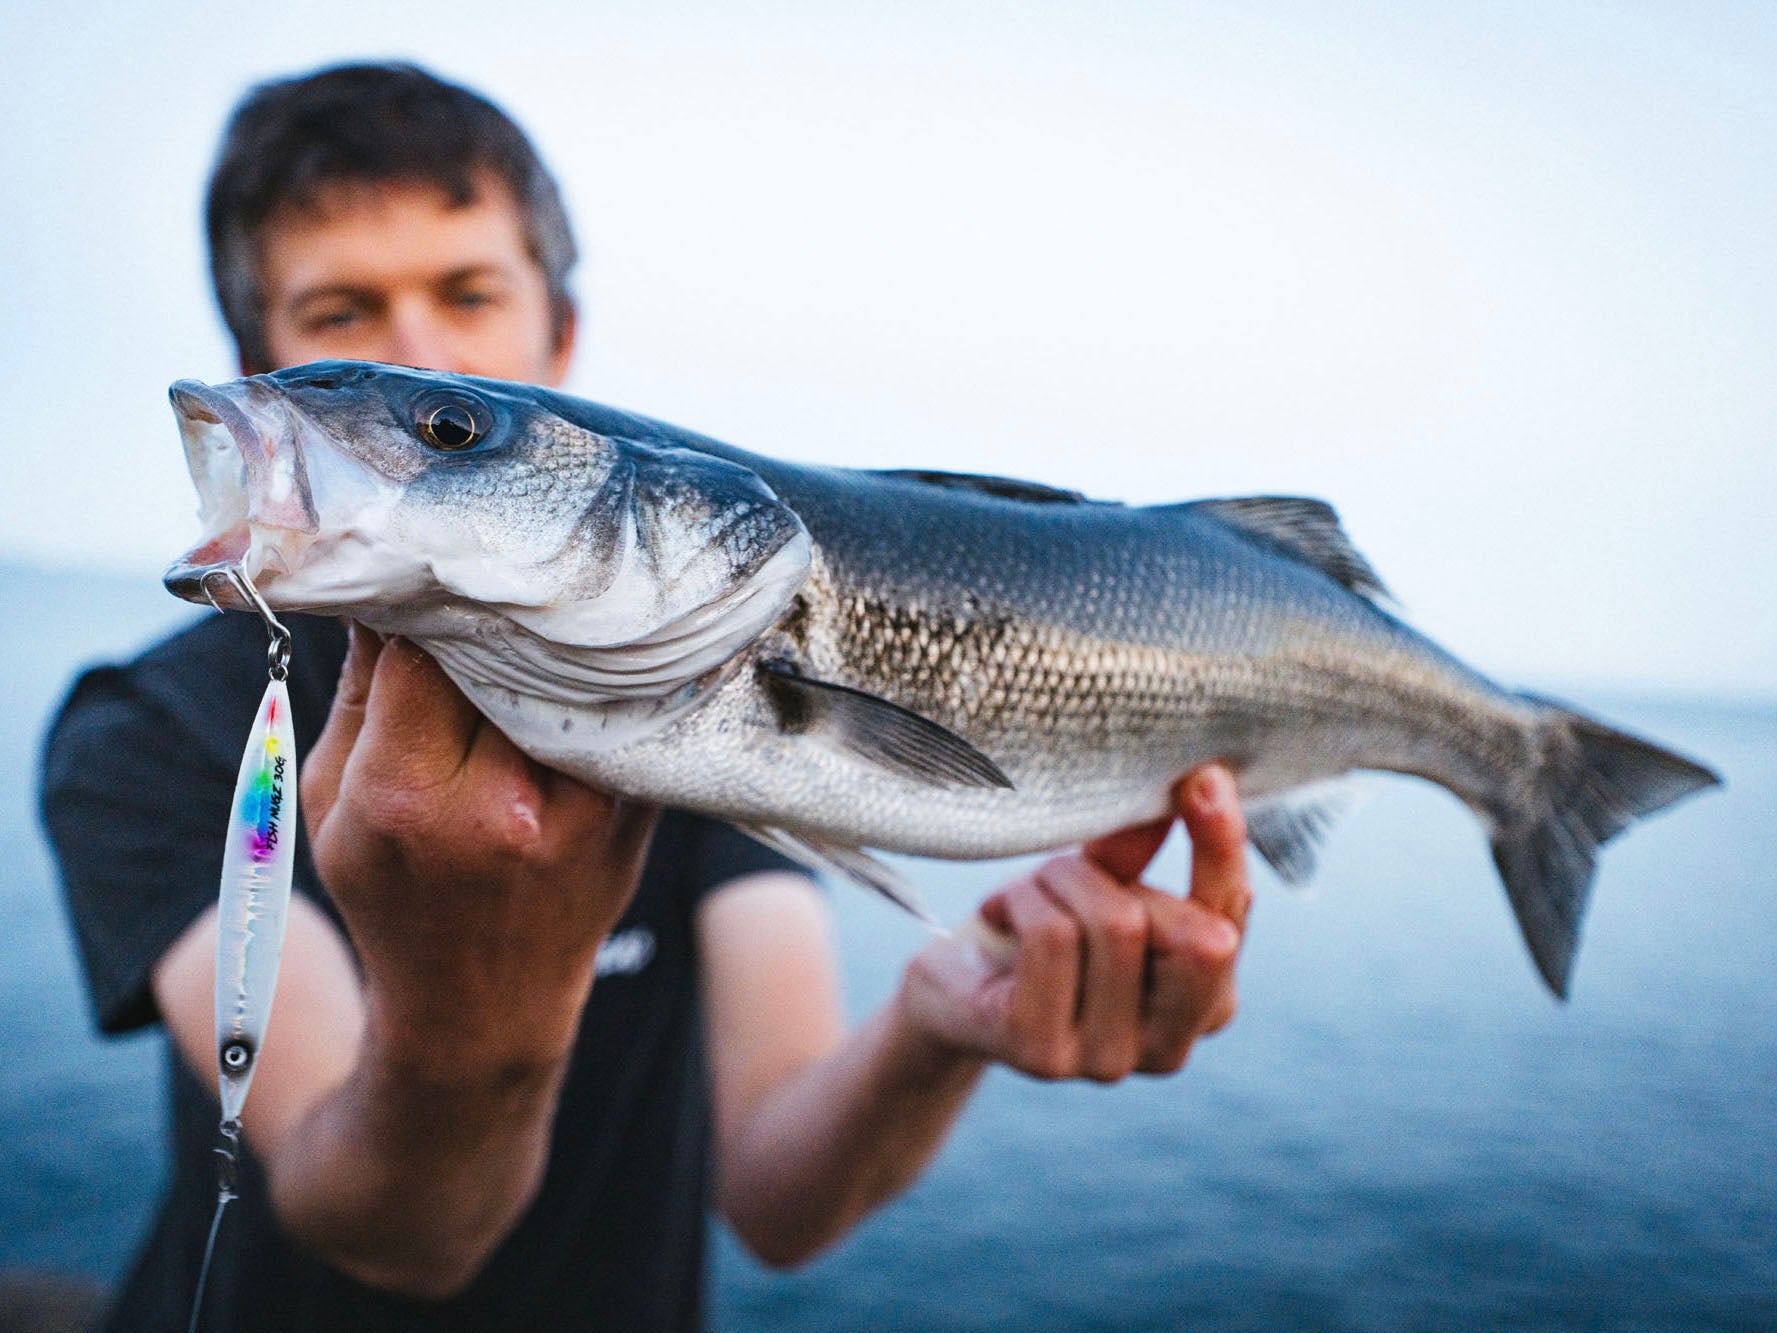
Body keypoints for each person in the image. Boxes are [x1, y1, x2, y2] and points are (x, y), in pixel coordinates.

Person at [41, 62, 1253, 1331]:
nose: (416, 350)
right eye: (342, 312)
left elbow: (781, 1202)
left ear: (558, 343)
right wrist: (474, 1010)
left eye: (467, 304)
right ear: (261, 363)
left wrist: (940, 1028)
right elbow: (392, 1237)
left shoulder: (686, 668)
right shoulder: (148, 732)